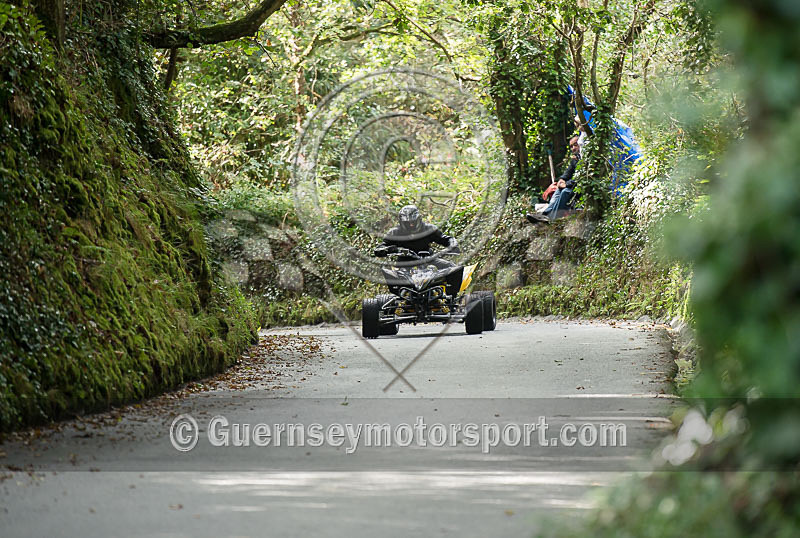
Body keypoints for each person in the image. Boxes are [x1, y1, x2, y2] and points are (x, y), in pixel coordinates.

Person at [374, 205, 459, 265]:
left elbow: (445, 239)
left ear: (419, 219)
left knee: (452, 268)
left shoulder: (429, 229)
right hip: (404, 264)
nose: (411, 225)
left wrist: (452, 244)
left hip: (427, 260)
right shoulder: (394, 232)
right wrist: (393, 249)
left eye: (413, 222)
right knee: (392, 276)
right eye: (407, 223)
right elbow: (379, 248)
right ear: (402, 222)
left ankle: (451, 287)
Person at [528, 137, 580, 223]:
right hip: (572, 186)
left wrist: (566, 184)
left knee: (565, 191)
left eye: (575, 145)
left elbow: (581, 178)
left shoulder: (585, 159)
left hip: (581, 189)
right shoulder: (574, 159)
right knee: (558, 189)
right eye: (571, 146)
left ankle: (552, 219)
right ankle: (545, 215)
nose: (573, 148)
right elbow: (567, 173)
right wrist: (561, 180)